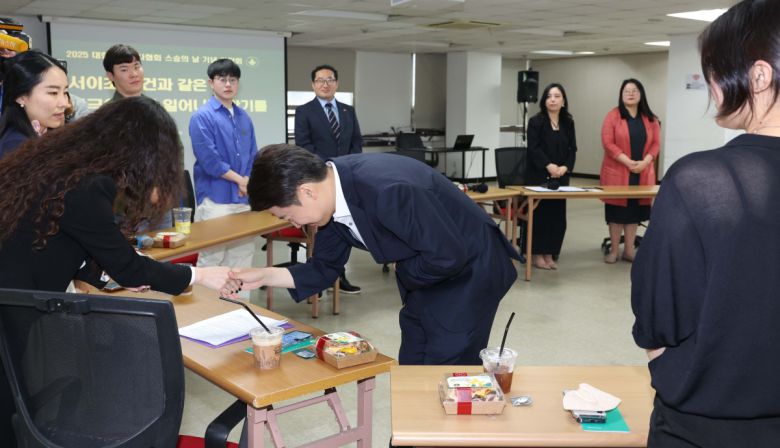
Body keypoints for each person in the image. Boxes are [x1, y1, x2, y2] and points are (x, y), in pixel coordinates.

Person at [632, 1, 780, 446]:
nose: (711, 89)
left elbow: (658, 321)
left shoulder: (702, 182)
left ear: (757, 76)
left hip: (706, 427)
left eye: (714, 73)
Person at [222, 145, 520, 365]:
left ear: (306, 192)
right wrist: (264, 275)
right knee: (414, 360)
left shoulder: (387, 190)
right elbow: (324, 269)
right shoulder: (329, 201)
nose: (295, 225)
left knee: (446, 365)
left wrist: (403, 269)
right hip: (428, 267)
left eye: (287, 215)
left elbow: (447, 256)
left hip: (470, 270)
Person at [295, 64, 363, 294]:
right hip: (320, 179)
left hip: (346, 178)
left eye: (330, 79)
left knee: (343, 224)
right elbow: (304, 146)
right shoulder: (304, 111)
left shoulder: (347, 111)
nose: (325, 84)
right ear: (313, 84)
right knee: (322, 227)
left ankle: (340, 275)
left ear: (337, 83)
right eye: (320, 80)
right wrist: (330, 167)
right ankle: (319, 276)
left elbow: (356, 142)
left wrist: (348, 167)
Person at [189, 58, 258, 269]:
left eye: (233, 80)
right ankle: (209, 304)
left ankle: (237, 303)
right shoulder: (202, 116)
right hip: (215, 199)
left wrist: (247, 181)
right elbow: (210, 161)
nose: (228, 84)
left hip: (242, 199)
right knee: (212, 258)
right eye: (222, 79)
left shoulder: (243, 117)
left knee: (242, 257)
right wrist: (242, 181)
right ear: (211, 83)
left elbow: (252, 154)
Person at [600, 79, 660, 263]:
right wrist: (627, 161)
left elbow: (656, 144)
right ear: (621, 94)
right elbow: (607, 142)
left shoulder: (650, 118)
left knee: (634, 214)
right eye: (627, 90)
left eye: (634, 90)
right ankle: (613, 252)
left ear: (641, 94)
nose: (631, 93)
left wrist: (646, 161)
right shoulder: (613, 115)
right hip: (618, 172)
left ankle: (629, 251)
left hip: (642, 172)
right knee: (616, 214)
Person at [525, 83, 577, 270]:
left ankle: (550, 253)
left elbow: (572, 149)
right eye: (549, 96)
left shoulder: (568, 122)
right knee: (541, 216)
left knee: (557, 217)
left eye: (557, 96)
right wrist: (548, 165)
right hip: (539, 175)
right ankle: (537, 254)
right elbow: (533, 148)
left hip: (561, 177)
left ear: (563, 101)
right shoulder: (536, 121)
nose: (552, 99)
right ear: (544, 101)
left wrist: (565, 167)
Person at [0, 50, 68, 159]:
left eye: (65, 93)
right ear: (21, 97)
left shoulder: (39, 138)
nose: (64, 103)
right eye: (53, 93)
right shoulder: (15, 146)